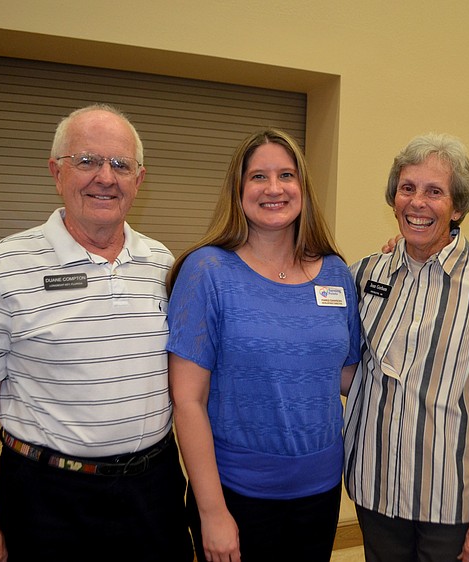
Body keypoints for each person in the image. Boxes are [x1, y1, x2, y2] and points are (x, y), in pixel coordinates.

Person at [0, 104, 193, 562]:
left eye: (120, 164)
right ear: (56, 172)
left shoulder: (163, 264)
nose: (106, 177)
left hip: (153, 493)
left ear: (139, 180)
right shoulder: (5, 265)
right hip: (45, 500)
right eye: (87, 161)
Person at [166, 128, 360, 562]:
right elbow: (188, 401)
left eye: (287, 175)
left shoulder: (335, 273)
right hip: (238, 495)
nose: (274, 188)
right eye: (258, 176)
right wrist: (212, 511)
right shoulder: (207, 271)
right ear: (238, 190)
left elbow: (346, 375)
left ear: (303, 188)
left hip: (322, 492)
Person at [344, 133, 469, 562]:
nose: (417, 202)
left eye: (435, 191)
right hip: (375, 491)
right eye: (407, 188)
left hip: (453, 501)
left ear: (458, 207)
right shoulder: (365, 275)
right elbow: (348, 368)